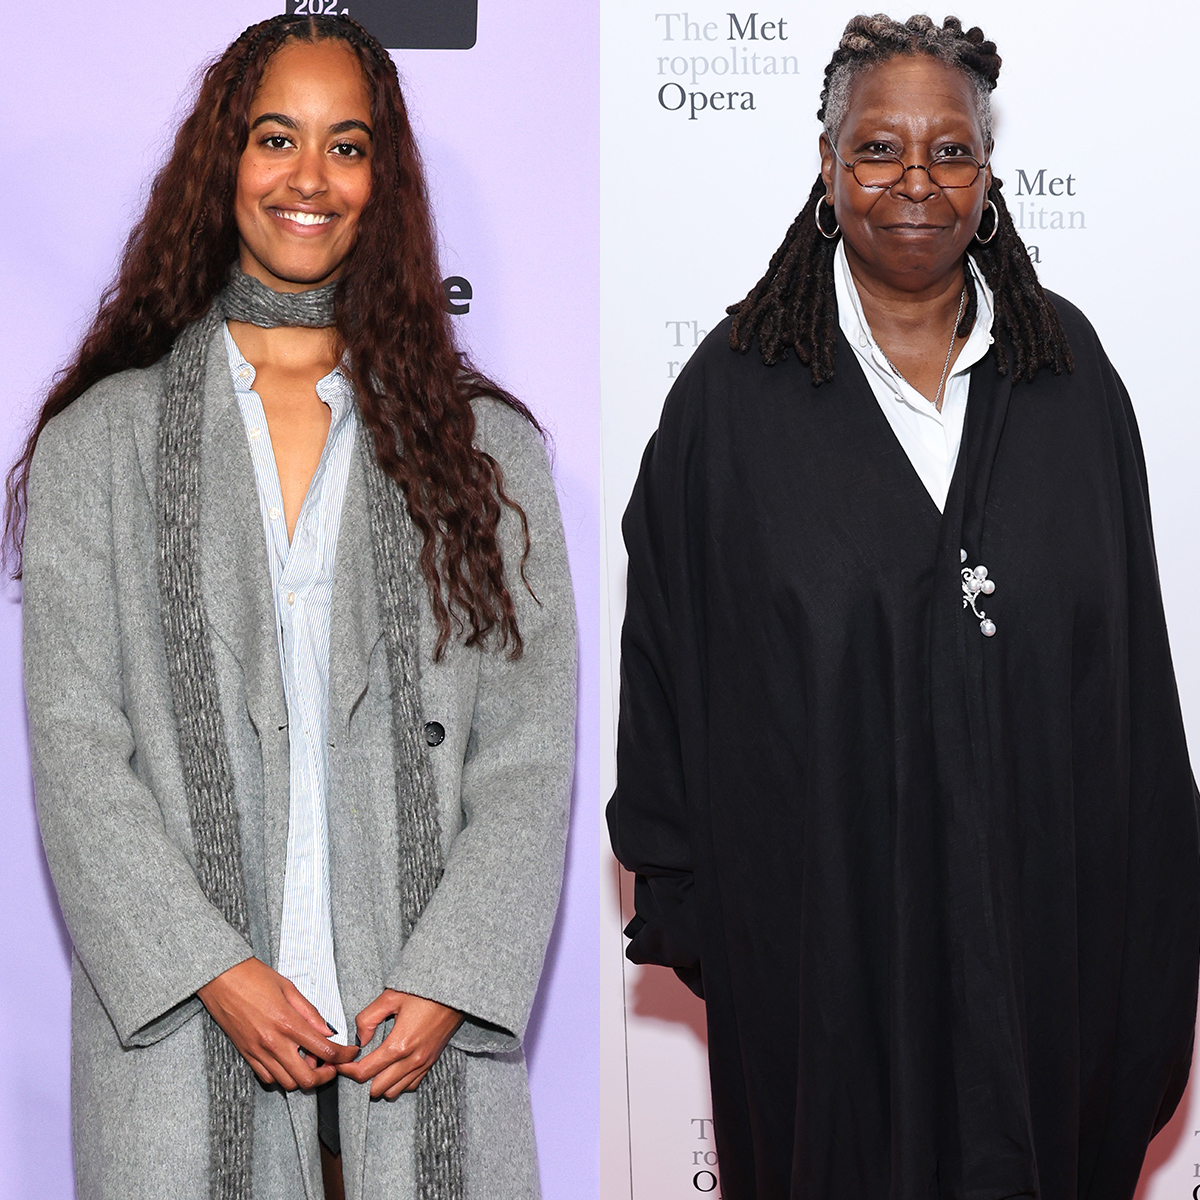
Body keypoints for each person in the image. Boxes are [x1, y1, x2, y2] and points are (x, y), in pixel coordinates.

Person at [608, 14, 1199, 1200]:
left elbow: (1131, 680)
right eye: (879, 149)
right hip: (822, 975)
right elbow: (666, 670)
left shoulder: (1070, 377)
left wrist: (1147, 934)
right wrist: (719, 921)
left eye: (951, 151)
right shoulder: (730, 400)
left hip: (1043, 965)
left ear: (987, 175)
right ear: (827, 166)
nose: (916, 181)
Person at [9, 14, 575, 1200]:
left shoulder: (485, 449)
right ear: (225, 160)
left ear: (383, 179)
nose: (308, 178)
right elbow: (77, 748)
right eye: (277, 138)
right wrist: (213, 969)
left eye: (345, 146)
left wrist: (451, 978)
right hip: (187, 1034)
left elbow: (527, 750)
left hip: (414, 1040)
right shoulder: (99, 444)